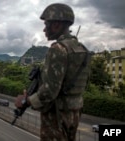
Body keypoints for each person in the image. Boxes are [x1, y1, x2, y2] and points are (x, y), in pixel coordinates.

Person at [15, 3, 91, 141]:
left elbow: (49, 92)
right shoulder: (83, 50)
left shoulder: (58, 49)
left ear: (56, 24)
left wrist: (26, 101)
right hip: (75, 112)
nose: (44, 30)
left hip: (56, 114)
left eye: (46, 24)